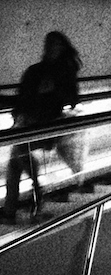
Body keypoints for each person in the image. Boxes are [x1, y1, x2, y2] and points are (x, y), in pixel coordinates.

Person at [1, 32, 82, 223]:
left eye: (55, 44)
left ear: (62, 48)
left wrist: (54, 89)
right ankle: (13, 210)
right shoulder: (35, 70)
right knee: (15, 165)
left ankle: (35, 204)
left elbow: (73, 98)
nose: (50, 48)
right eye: (48, 44)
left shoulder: (64, 72)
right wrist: (17, 113)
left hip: (46, 128)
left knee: (23, 161)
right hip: (27, 124)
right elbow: (24, 97)